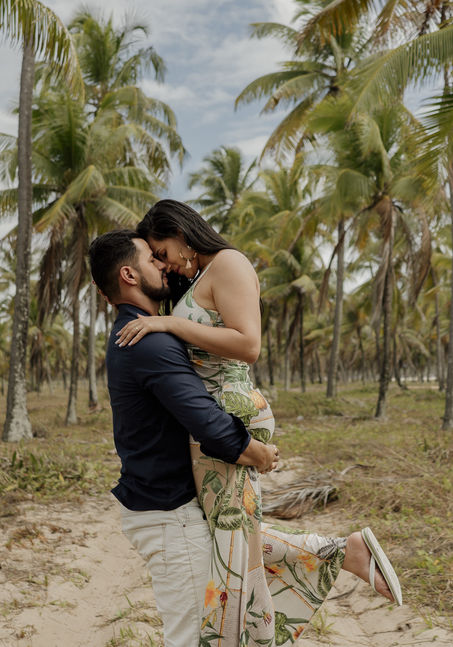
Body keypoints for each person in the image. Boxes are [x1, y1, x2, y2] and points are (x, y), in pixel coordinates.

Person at [117, 199, 404, 646]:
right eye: (154, 258)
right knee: (230, 535)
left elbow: (248, 344)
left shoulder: (228, 262)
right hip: (215, 417)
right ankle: (345, 552)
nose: (163, 263)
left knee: (232, 543)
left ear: (180, 233)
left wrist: (169, 324)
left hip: (229, 412)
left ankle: (249, 632)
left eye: (162, 252)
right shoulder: (202, 276)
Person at [88, 229, 280, 647]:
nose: (163, 264)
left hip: (165, 507)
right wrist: (258, 453)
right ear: (129, 275)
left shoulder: (139, 333)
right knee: (192, 639)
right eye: (151, 258)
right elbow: (207, 421)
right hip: (171, 514)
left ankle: (342, 551)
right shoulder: (148, 342)